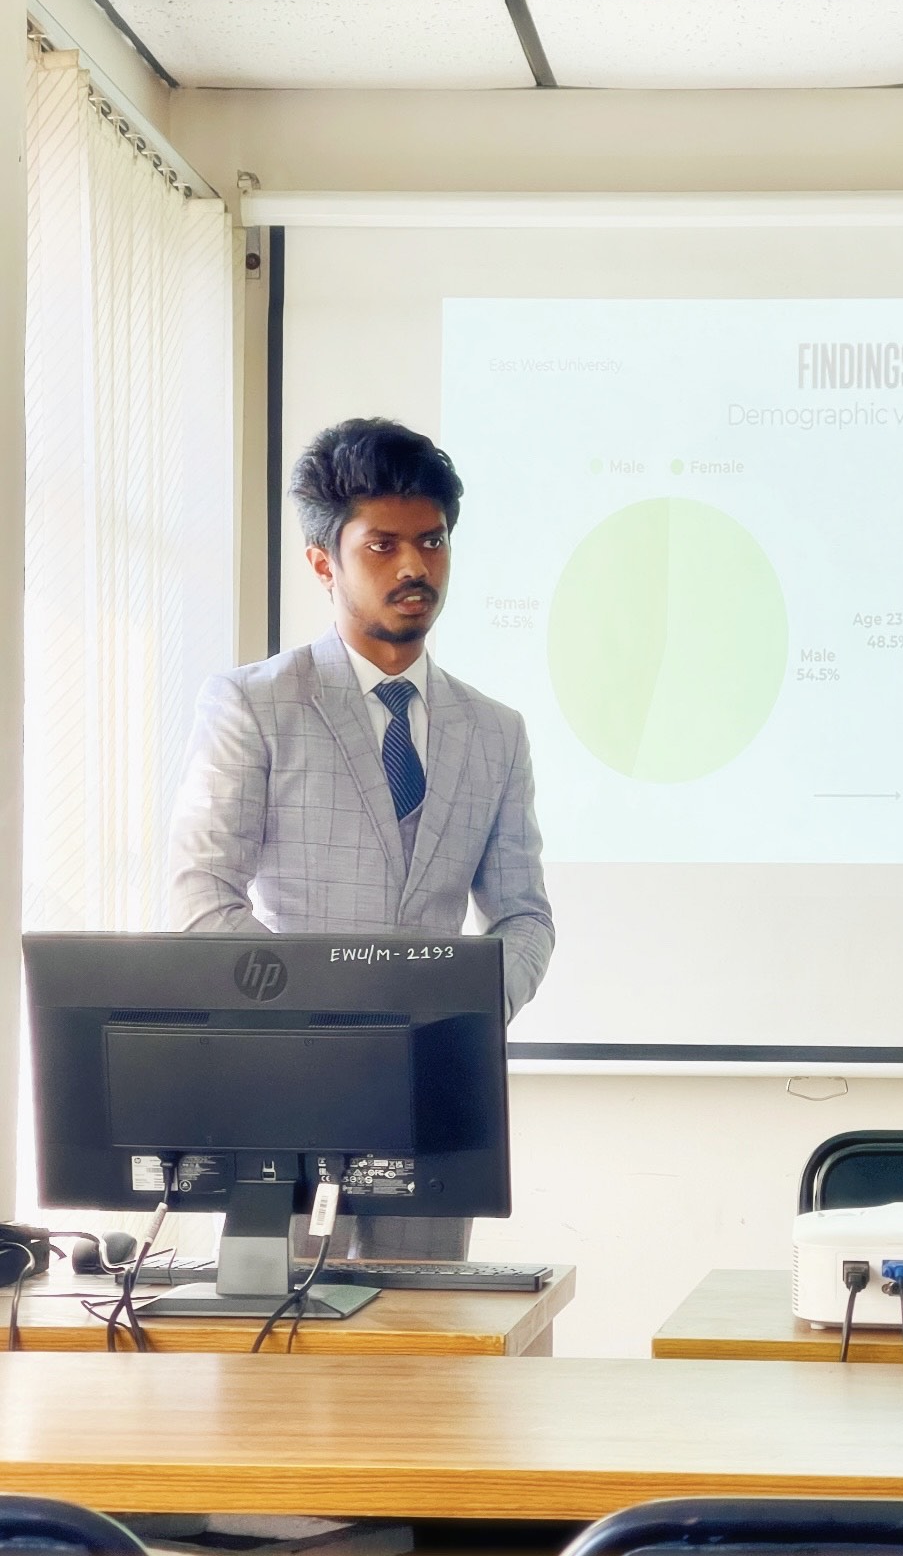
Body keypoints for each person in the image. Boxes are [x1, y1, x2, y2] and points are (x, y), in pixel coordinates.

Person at [169, 416, 554, 1258]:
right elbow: (202, 893)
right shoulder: (253, 704)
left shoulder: (496, 731)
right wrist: (306, 1021)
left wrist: (471, 1010)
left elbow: (525, 915)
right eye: (383, 545)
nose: (416, 566)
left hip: (436, 1102)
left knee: (426, 1336)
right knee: (278, 1332)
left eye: (432, 541)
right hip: (283, 1096)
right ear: (323, 562)